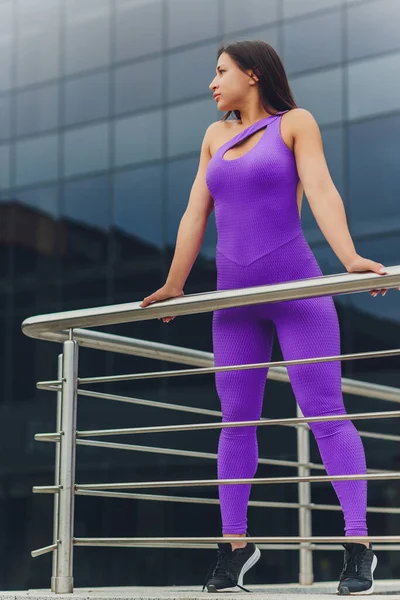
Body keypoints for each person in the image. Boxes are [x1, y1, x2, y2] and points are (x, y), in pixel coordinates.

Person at [140, 40, 399, 595]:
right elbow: (194, 212)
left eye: (220, 72)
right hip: (232, 304)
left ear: (252, 75)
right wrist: (175, 284)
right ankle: (235, 547)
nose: (212, 83)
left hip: (298, 292)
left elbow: (323, 190)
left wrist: (350, 258)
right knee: (236, 422)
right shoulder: (213, 137)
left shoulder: (295, 123)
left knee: (326, 415)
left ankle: (358, 545)